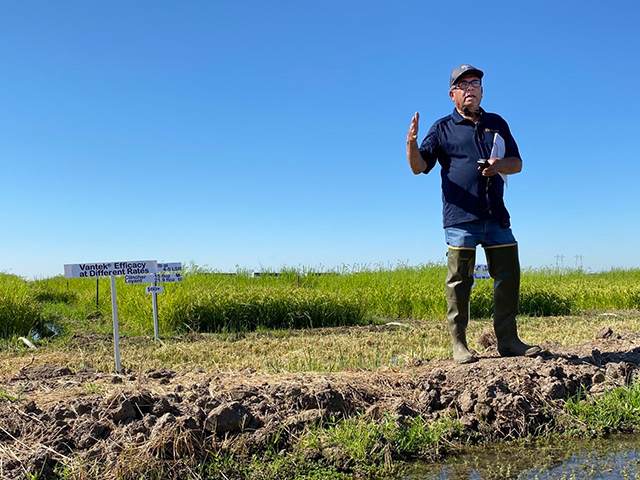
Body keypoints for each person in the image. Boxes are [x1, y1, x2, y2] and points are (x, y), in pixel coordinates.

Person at [406, 64, 541, 364]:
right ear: (452, 94)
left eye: (475, 83)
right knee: (459, 280)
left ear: (482, 90)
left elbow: (516, 163)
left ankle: (508, 340)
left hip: (496, 216)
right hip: (460, 217)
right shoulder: (441, 128)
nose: (470, 88)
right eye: (463, 84)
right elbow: (418, 167)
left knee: (508, 276)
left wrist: (498, 166)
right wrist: (411, 144)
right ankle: (459, 345)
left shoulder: (497, 122)